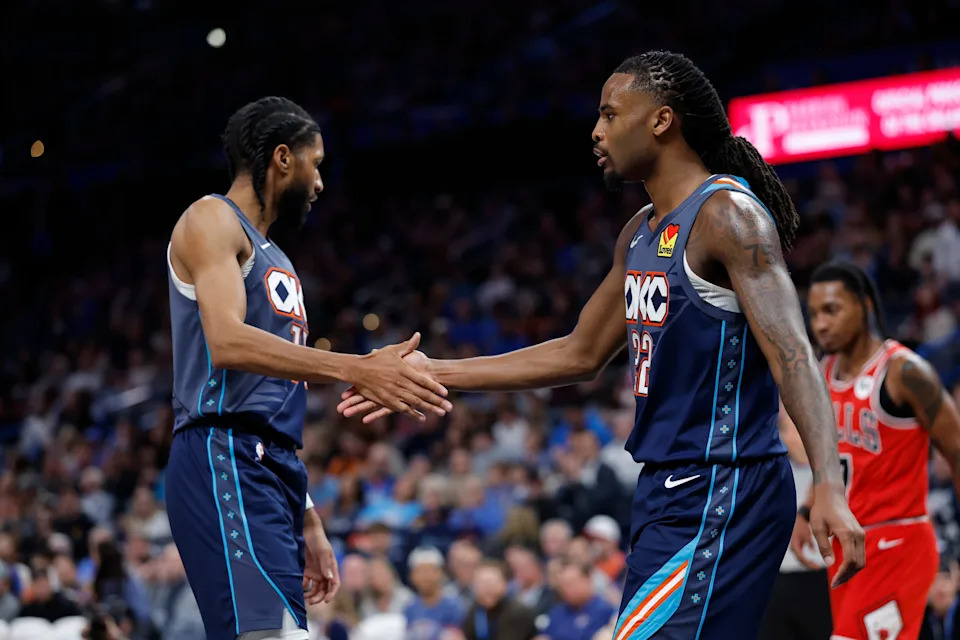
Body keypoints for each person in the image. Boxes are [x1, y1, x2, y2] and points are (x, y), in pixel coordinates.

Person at [338, 50, 865, 638]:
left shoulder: (728, 216)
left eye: (611, 114)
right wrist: (429, 370)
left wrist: (827, 482)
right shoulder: (640, 232)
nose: (596, 131)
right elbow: (578, 353)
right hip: (667, 490)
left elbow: (793, 353)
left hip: (724, 483)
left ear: (662, 120)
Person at [164, 96, 453, 640]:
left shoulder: (280, 260)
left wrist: (308, 514)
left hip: (271, 469)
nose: (320, 182)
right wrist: (356, 367)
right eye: (315, 163)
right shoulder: (210, 218)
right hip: (221, 454)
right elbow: (226, 342)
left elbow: (276, 394)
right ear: (281, 159)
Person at [789, 261, 960, 639]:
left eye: (832, 310)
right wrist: (806, 508)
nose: (820, 324)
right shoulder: (824, 372)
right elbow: (830, 460)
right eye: (814, 313)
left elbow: (956, 449)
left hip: (898, 544)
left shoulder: (905, 372)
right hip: (849, 548)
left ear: (865, 306)